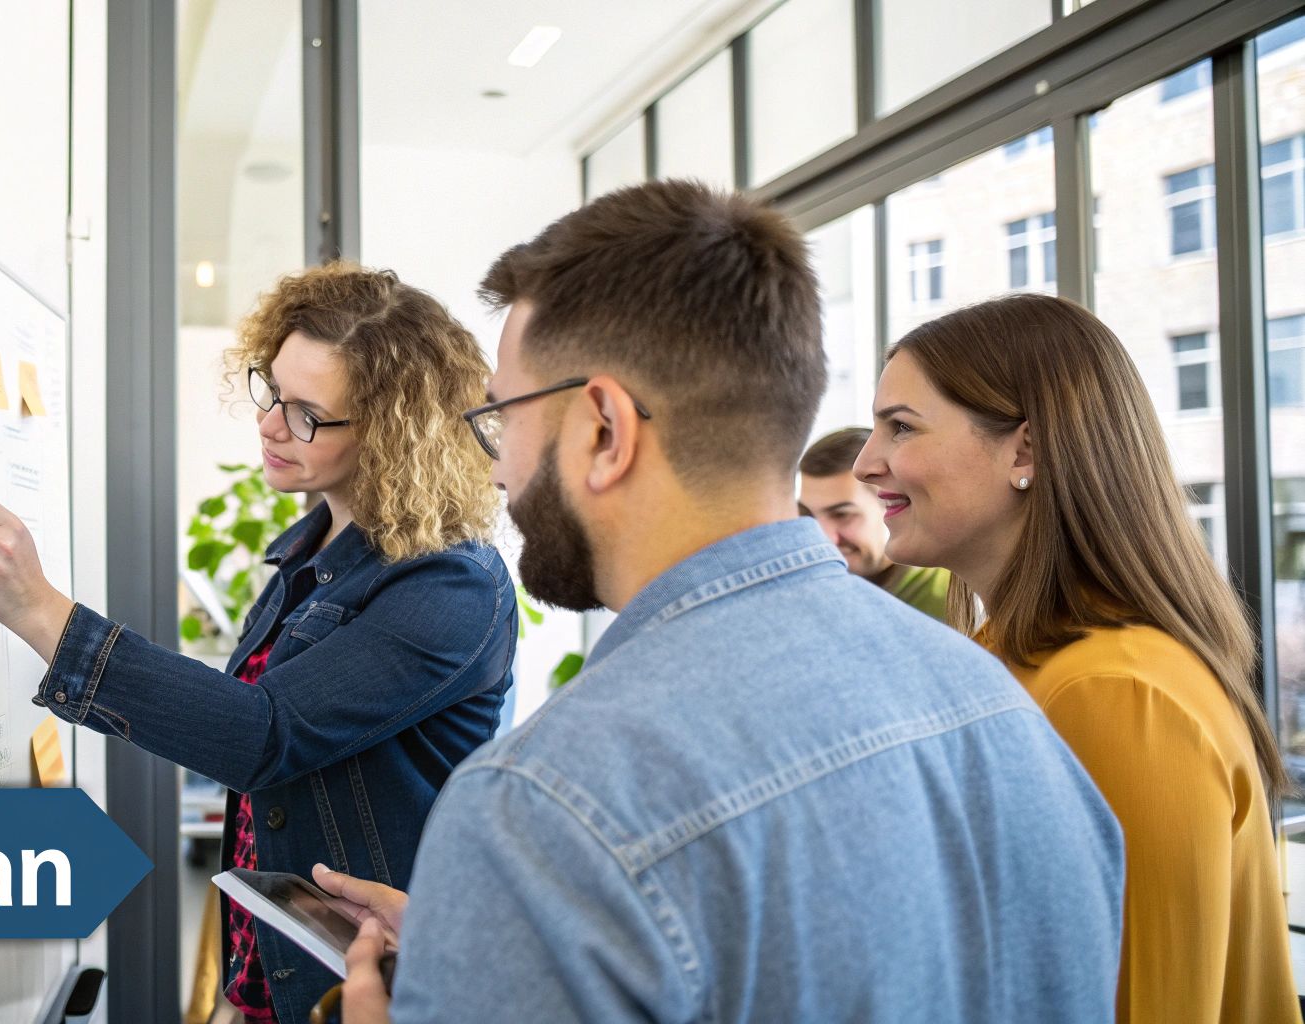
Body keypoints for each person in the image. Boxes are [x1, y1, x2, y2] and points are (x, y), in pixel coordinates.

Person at [316, 181, 1124, 1023]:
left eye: (502, 415)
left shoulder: (545, 803)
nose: (495, 466)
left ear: (604, 429)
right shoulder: (1005, 709)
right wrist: (503, 940)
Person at [0, 262, 518, 1024]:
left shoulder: (452, 586)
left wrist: (43, 611)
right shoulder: (311, 554)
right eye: (271, 390)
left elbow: (264, 734)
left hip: (369, 993)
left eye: (308, 413)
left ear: (392, 436)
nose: (270, 424)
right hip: (276, 978)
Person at [853, 292, 1300, 1024]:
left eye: (900, 427)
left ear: (1025, 451)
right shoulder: (1017, 658)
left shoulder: (1116, 692)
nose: (869, 463)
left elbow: (1138, 1003)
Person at [797, 426, 950, 620]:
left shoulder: (949, 602)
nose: (823, 537)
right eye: (808, 515)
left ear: (892, 504)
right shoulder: (818, 594)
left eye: (842, 514)